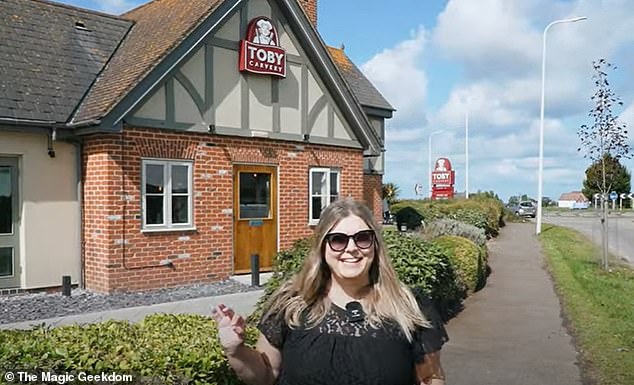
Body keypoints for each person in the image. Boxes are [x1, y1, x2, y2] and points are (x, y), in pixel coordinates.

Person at [212, 198, 448, 385]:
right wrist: (237, 351)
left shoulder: (409, 306)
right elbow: (266, 375)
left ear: (375, 245)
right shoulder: (291, 304)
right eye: (338, 240)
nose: (352, 249)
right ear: (322, 247)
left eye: (362, 238)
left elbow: (431, 377)